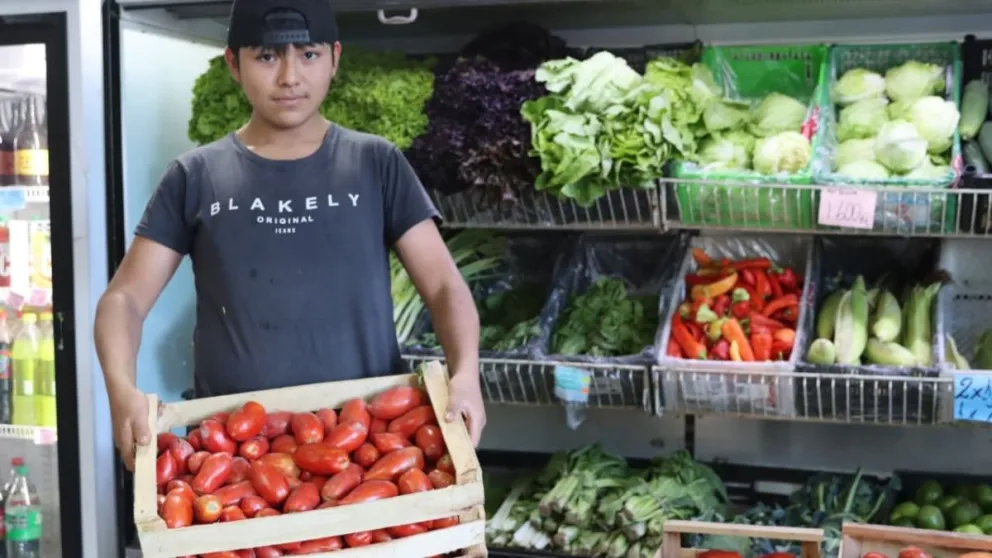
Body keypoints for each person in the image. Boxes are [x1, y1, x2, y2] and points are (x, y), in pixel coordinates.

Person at [94, 0, 485, 471]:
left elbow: (443, 286)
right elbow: (125, 299)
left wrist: (466, 373)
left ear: (335, 58)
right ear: (233, 64)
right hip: (233, 457)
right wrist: (121, 391)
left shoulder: (376, 163)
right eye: (266, 56)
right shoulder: (195, 176)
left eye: (309, 54)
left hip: (365, 450)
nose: (289, 77)